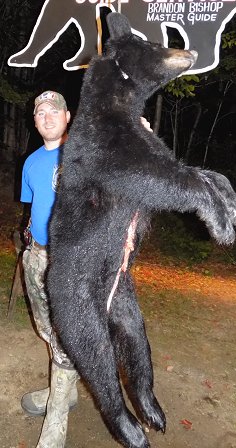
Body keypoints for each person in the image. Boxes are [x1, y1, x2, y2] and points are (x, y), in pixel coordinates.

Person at [21, 90, 79, 448]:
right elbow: (33, 207)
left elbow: (122, 161)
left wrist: (139, 133)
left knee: (66, 337)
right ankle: (66, 391)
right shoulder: (29, 162)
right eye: (40, 112)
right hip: (37, 256)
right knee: (46, 329)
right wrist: (29, 250)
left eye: (53, 110)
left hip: (70, 263)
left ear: (68, 116)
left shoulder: (83, 154)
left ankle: (57, 419)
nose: (46, 116)